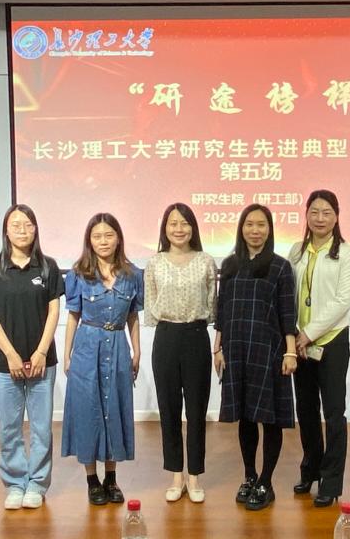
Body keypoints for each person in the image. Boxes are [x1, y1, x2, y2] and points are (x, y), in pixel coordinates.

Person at [0, 205, 64, 511]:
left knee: (41, 428)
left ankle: (37, 484)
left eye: (28, 224)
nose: (22, 230)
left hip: (42, 361)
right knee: (9, 428)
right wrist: (11, 354)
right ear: (6, 230)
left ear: (35, 229)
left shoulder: (48, 267)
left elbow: (54, 311)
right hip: (5, 363)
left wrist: (41, 351)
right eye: (15, 225)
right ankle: (14, 483)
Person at [214, 204, 297, 512]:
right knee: (246, 416)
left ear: (270, 229)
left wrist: (290, 351)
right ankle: (249, 476)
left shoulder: (280, 267)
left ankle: (266, 481)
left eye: (261, 225)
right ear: (241, 228)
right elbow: (222, 310)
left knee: (269, 417)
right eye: (249, 224)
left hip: (268, 350)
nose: (255, 230)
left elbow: (288, 313)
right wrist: (217, 348)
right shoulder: (230, 264)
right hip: (236, 349)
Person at [62, 213, 143, 505]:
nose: (103, 241)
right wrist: (67, 353)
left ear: (118, 238)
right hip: (87, 346)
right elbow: (73, 316)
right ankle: (92, 481)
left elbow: (132, 316)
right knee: (88, 411)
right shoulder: (77, 274)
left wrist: (137, 350)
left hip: (118, 346)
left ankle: (111, 478)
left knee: (114, 408)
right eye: (97, 236)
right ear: (89, 240)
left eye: (109, 235)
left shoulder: (133, 274)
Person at [288, 190, 350, 508]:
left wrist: (310, 333)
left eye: (326, 212)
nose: (320, 218)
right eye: (314, 212)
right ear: (306, 215)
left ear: (336, 216)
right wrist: (294, 335)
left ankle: (331, 481)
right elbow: (289, 294)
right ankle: (310, 470)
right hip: (300, 344)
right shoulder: (296, 251)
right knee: (305, 411)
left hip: (331, 342)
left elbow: (342, 301)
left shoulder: (346, 253)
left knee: (333, 413)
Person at [144, 203, 217, 503]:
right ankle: (176, 475)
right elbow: (150, 304)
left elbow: (212, 304)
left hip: (196, 336)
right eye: (173, 223)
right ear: (165, 228)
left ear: (193, 228)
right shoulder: (154, 263)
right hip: (166, 338)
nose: (179, 229)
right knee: (169, 409)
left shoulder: (206, 261)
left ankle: (195, 475)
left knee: (197, 409)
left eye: (184, 223)